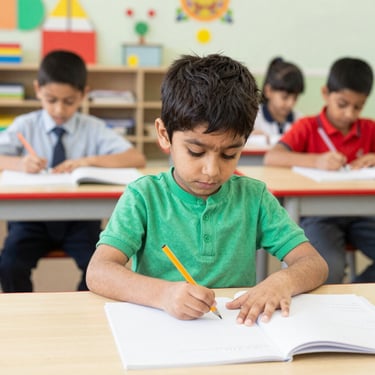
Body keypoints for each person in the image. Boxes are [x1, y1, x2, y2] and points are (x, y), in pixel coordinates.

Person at [86, 53, 328, 326]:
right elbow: (99, 272)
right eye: (195, 151)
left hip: (233, 332)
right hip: (158, 328)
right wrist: (164, 294)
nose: (212, 170)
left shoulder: (254, 198)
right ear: (164, 135)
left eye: (229, 154)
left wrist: (282, 281)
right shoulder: (144, 197)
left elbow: (314, 263)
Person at [0, 50, 146, 292]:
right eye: (51, 99)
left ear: (84, 94)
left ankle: (83, 312)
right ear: (38, 90)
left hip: (80, 221)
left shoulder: (93, 128)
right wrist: (19, 163)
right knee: (9, 265)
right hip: (31, 220)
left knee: (99, 268)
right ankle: (24, 314)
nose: (59, 109)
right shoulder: (25, 125)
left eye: (68, 101)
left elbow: (135, 157)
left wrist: (87, 161)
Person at [264, 57, 375, 283]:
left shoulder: (369, 129)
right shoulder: (308, 127)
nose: (349, 114)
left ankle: (356, 291)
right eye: (342, 104)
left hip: (363, 214)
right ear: (326, 94)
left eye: (358, 107)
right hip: (319, 216)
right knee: (326, 270)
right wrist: (317, 161)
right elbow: (272, 157)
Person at [249, 57, 304, 145]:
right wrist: (249, 138)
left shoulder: (300, 121)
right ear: (268, 91)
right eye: (285, 97)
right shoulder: (252, 118)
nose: (291, 103)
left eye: (295, 98)